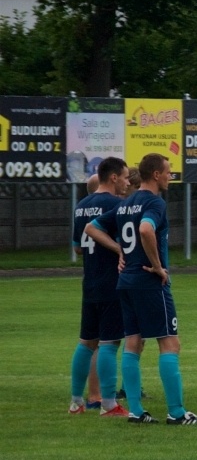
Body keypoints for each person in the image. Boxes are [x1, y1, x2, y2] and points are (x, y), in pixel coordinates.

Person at [83, 153, 197, 424]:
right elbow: (146, 230)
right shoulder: (154, 202)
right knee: (170, 343)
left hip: (125, 282)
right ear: (156, 174)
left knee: (133, 342)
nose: (170, 176)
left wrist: (121, 251)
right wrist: (158, 267)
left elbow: (91, 228)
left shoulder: (126, 203)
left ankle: (136, 411)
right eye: (168, 172)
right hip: (149, 282)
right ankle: (177, 413)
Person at [69, 156, 129, 415]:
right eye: (125, 177)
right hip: (112, 282)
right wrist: (117, 249)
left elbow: (77, 248)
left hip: (90, 282)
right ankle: (108, 403)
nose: (127, 183)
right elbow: (127, 243)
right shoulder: (117, 206)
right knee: (110, 343)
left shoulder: (81, 205)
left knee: (86, 342)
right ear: (113, 177)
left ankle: (76, 402)